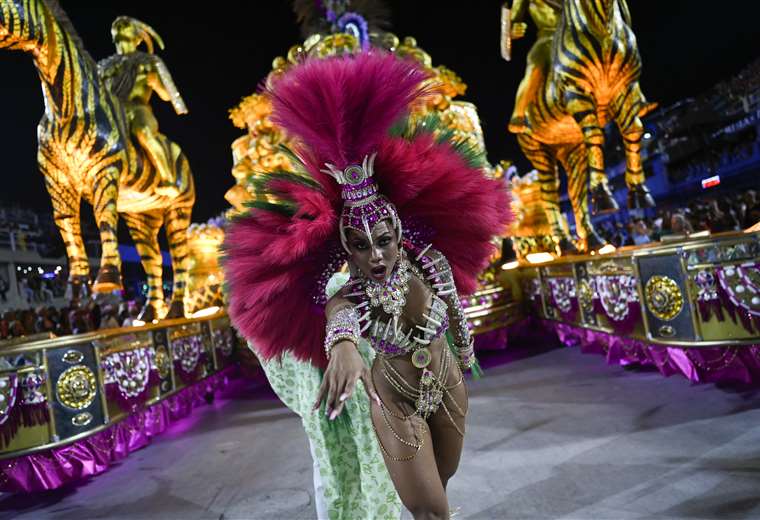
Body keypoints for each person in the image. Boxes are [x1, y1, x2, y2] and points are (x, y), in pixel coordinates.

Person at [225, 53, 511, 519]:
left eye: (382, 241)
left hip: (448, 383)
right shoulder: (350, 291)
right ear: (346, 249)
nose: (374, 255)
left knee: (443, 481)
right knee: (431, 511)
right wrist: (343, 349)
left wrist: (465, 359)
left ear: (399, 233)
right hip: (394, 399)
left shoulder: (431, 263)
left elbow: (457, 320)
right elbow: (338, 314)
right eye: (359, 245)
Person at [98, 16, 188, 197]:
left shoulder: (149, 61)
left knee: (143, 132)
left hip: (138, 109)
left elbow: (166, 95)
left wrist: (155, 83)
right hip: (112, 111)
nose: (122, 41)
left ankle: (168, 178)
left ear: (136, 38)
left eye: (126, 35)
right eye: (119, 36)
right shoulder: (104, 65)